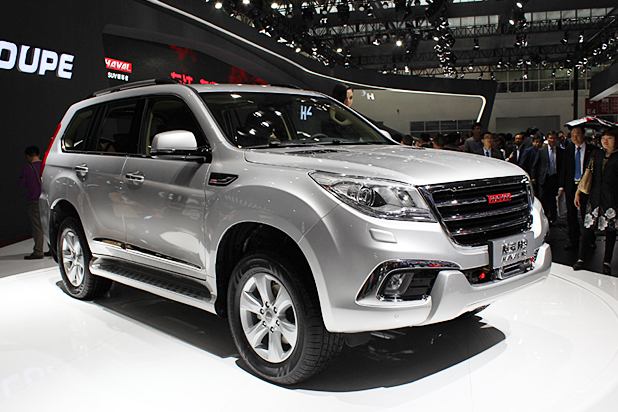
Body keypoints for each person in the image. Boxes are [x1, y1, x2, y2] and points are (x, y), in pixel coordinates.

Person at [573, 127, 618, 275]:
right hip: (594, 197)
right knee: (587, 229)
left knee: (610, 231)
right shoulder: (596, 154)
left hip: (612, 199)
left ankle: (606, 261)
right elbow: (587, 174)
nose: (605, 141)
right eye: (603, 138)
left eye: (609, 138)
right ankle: (581, 258)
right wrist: (578, 192)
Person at [559, 126, 597, 250]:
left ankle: (590, 240)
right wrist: (562, 186)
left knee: (587, 214)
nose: (575, 137)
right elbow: (564, 169)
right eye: (572, 135)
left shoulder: (593, 150)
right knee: (571, 214)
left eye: (578, 134)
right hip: (571, 186)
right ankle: (573, 240)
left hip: (586, 186)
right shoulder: (567, 150)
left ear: (583, 135)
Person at [18, 146, 50, 259]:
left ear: (27, 156)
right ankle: (53, 249)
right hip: (47, 199)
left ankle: (38, 251)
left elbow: (23, 184)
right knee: (48, 225)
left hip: (35, 200)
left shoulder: (27, 168)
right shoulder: (45, 165)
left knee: (37, 227)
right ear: (38, 154)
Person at [535, 131, 563, 224]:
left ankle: (553, 218)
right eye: (550, 138)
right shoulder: (541, 151)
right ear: (547, 139)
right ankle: (544, 218)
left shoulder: (560, 151)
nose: (552, 140)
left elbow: (562, 166)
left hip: (554, 178)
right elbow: (536, 165)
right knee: (543, 199)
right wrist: (534, 178)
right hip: (544, 179)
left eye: (554, 138)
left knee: (552, 200)